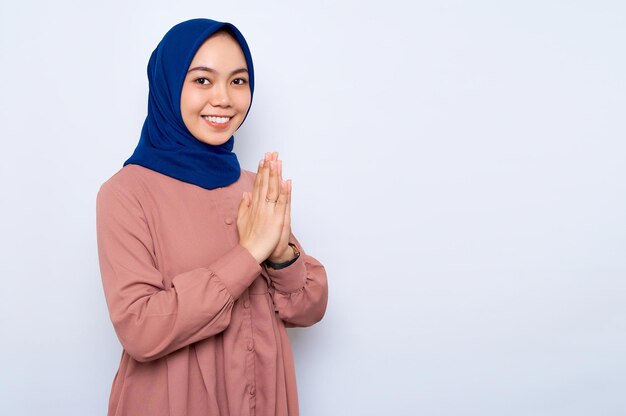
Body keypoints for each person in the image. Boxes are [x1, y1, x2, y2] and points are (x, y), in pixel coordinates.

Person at [95, 18, 328, 416]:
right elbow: (140, 328)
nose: (224, 98)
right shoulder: (125, 194)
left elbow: (309, 308)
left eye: (238, 81)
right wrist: (250, 252)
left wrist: (281, 255)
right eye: (202, 80)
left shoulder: (255, 185)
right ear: (169, 86)